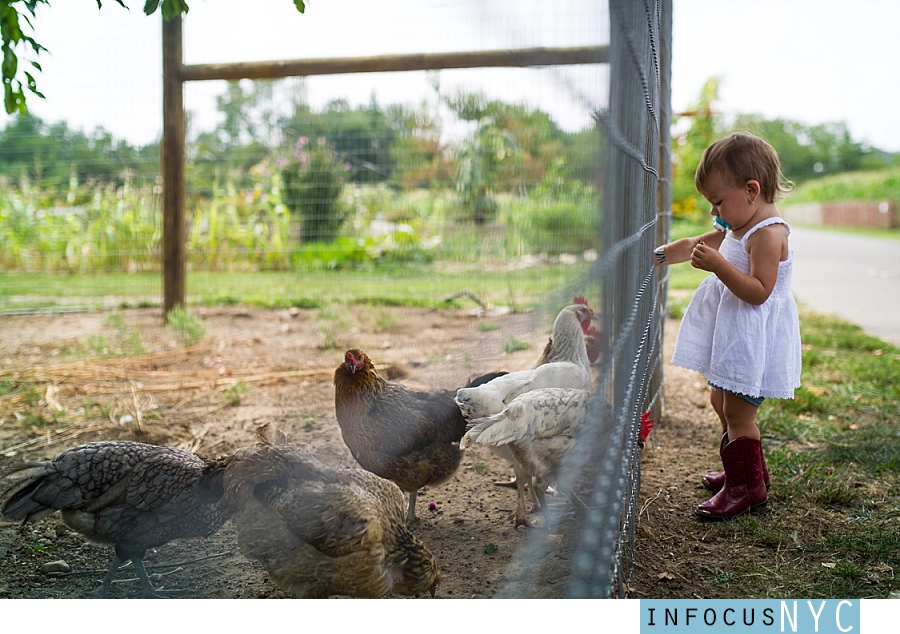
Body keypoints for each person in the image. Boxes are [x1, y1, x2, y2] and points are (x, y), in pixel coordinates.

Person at [653, 132, 802, 519]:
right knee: (720, 400)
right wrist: (661, 255)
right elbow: (695, 244)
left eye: (718, 201)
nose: (714, 212)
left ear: (751, 190)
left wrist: (719, 266)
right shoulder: (738, 225)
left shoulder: (768, 234)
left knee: (738, 413)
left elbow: (758, 293)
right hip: (736, 337)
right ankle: (746, 472)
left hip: (754, 342)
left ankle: (747, 490)